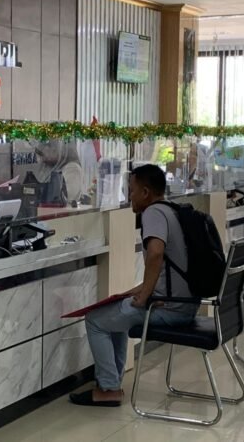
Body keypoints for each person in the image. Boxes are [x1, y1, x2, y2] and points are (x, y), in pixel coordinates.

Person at [68, 164, 198, 407]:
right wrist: (140, 290)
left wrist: (145, 294)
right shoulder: (172, 210)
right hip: (183, 304)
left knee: (95, 321)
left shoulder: (153, 213)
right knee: (113, 313)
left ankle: (108, 389)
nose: (129, 197)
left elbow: (156, 254)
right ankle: (112, 381)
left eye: (132, 190)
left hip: (171, 308)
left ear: (146, 192)